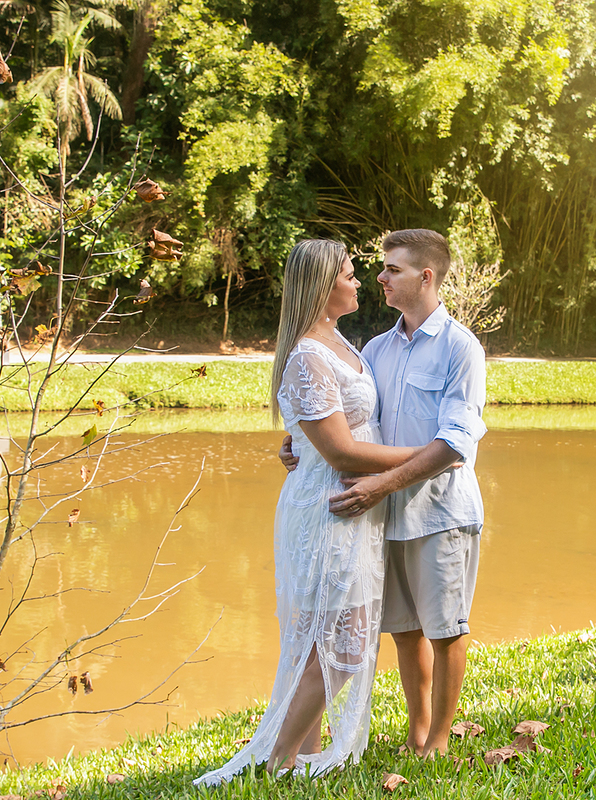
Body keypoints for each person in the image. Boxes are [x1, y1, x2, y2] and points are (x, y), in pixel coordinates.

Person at [195, 239, 422, 785]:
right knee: (341, 639)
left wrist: (295, 439)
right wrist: (431, 454)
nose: (359, 281)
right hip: (329, 509)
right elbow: (341, 450)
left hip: (357, 506)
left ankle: (296, 755)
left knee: (329, 633)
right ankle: (278, 759)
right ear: (323, 285)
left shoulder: (342, 344)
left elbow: (325, 427)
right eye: (348, 274)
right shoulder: (307, 354)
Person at [282, 229, 487, 757]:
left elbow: (456, 442)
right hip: (380, 513)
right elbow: (350, 423)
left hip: (440, 510)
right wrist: (302, 442)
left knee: (445, 630)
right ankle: (416, 732)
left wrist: (384, 482)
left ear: (426, 276)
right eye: (377, 268)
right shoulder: (373, 348)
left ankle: (437, 741)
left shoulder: (461, 348)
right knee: (404, 629)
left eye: (392, 269)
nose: (380, 277)